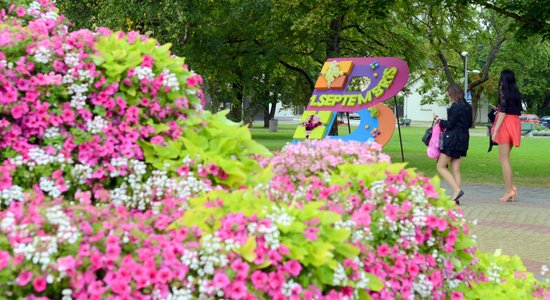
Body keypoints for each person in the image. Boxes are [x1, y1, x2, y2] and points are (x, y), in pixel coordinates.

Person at [435, 84, 473, 205]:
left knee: (440, 166)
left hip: (452, 139)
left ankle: (457, 190)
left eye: (448, 95)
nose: (448, 97)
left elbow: (450, 124)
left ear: (452, 94)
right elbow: (469, 123)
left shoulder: (456, 106)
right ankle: (456, 199)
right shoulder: (467, 106)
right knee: (455, 169)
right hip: (463, 139)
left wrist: (440, 122)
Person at [491, 69, 522, 202]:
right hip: (515, 123)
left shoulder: (503, 92)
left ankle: (509, 191)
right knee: (505, 159)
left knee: (503, 160)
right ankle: (511, 188)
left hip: (505, 124)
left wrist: (495, 130)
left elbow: (503, 112)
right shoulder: (516, 92)